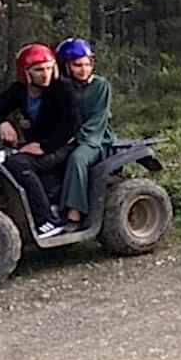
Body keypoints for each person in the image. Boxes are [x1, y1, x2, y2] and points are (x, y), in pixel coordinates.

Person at [0, 43, 79, 238]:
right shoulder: (19, 90)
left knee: (17, 163)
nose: (45, 74)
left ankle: (47, 220)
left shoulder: (62, 88)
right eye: (38, 70)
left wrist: (45, 146)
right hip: (35, 144)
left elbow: (72, 123)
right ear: (26, 72)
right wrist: (2, 122)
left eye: (48, 68)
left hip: (62, 144)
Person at [56, 38, 115, 231]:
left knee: (77, 159)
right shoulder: (62, 87)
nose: (83, 69)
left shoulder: (101, 86)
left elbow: (98, 119)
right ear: (66, 66)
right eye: (77, 65)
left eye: (87, 64)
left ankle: (75, 212)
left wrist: (76, 137)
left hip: (95, 139)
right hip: (66, 136)